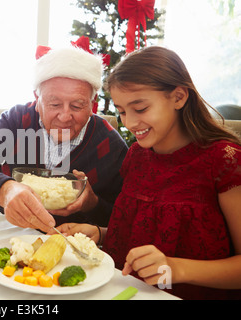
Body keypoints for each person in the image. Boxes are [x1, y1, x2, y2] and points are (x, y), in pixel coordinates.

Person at [53, 46, 241, 300]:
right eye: (121, 111)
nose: (129, 123)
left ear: (179, 97)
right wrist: (100, 232)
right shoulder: (136, 156)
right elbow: (149, 232)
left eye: (140, 109)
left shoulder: (225, 160)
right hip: (122, 291)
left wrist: (176, 268)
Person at [0, 39, 128, 233]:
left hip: (69, 247)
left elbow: (125, 219)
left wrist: (91, 204)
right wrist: (5, 190)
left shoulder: (110, 144)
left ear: (92, 103)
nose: (64, 116)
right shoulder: (18, 120)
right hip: (6, 234)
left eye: (77, 106)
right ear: (37, 99)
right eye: (54, 104)